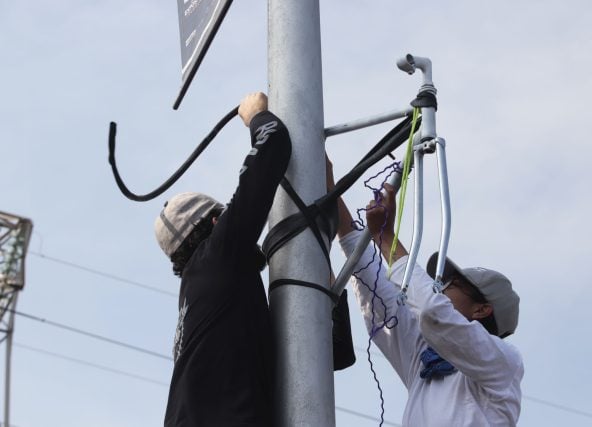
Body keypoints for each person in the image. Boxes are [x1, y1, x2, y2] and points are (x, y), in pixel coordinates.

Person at [155, 93, 354, 427]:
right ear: (216, 223)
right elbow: (273, 145)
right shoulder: (216, 258)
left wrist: (317, 251)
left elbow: (331, 351)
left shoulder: (212, 302)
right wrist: (257, 116)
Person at [329, 159, 524, 426]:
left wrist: (386, 237)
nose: (438, 288)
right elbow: (369, 274)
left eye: (449, 285)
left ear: (481, 309)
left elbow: (433, 312)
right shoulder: (425, 358)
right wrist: (325, 178)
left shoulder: (503, 362)